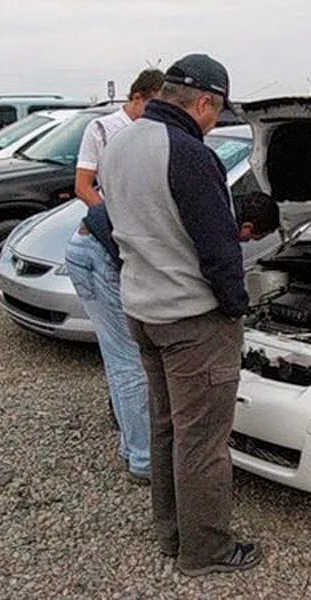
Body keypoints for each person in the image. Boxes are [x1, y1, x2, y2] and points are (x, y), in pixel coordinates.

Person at [101, 54, 280, 576]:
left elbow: (111, 224)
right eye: (216, 112)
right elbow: (220, 250)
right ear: (204, 102)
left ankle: (172, 533)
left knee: (167, 429)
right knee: (203, 441)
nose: (214, 123)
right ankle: (206, 551)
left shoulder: (120, 142)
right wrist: (235, 308)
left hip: (143, 310)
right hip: (191, 322)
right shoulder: (189, 154)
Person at [65, 68, 164, 484]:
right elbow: (83, 185)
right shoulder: (105, 129)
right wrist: (117, 219)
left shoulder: (154, 133)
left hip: (106, 251)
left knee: (122, 359)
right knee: (129, 364)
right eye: (156, 104)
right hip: (101, 249)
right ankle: (143, 460)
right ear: (138, 97)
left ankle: (131, 443)